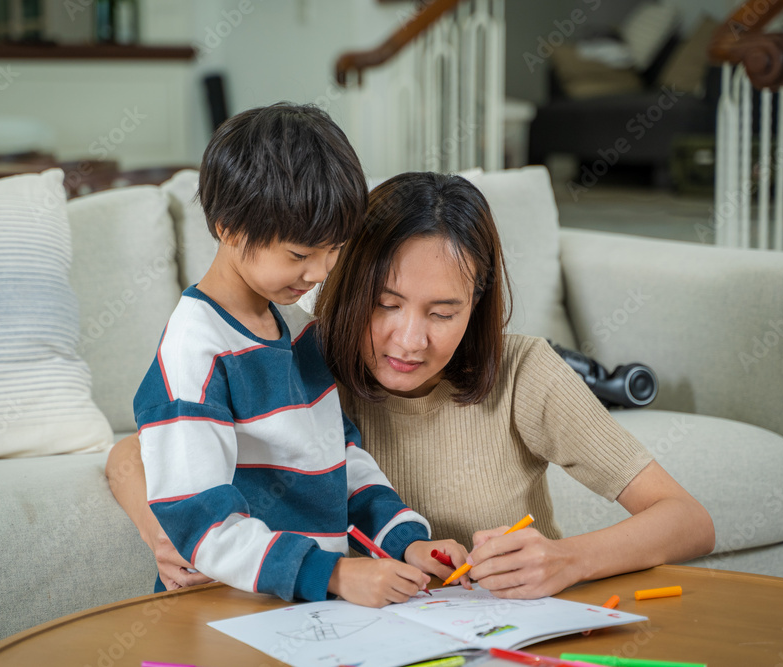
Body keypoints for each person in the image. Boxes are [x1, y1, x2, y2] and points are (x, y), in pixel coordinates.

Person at [109, 171, 715, 601]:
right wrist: (167, 531)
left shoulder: (525, 372)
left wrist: (570, 559)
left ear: (476, 307)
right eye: (386, 303)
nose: (407, 341)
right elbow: (136, 449)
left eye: (442, 313)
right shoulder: (308, 362)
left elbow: (687, 520)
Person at [130, 106, 467, 608]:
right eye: (299, 254)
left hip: (308, 608)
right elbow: (201, 524)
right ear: (229, 228)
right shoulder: (194, 352)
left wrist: (407, 541)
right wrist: (334, 574)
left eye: (333, 250)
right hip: (225, 608)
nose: (319, 272)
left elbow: (338, 460)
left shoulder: (300, 329)